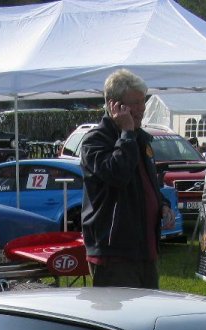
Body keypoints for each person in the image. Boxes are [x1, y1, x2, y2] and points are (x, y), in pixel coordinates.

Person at [79, 69, 176, 289]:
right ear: (115, 106)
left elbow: (146, 185)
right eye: (136, 103)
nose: (142, 109)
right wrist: (127, 134)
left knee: (148, 318)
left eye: (143, 102)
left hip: (144, 250)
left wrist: (162, 205)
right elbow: (118, 175)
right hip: (114, 253)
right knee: (119, 320)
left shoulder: (140, 138)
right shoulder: (95, 141)